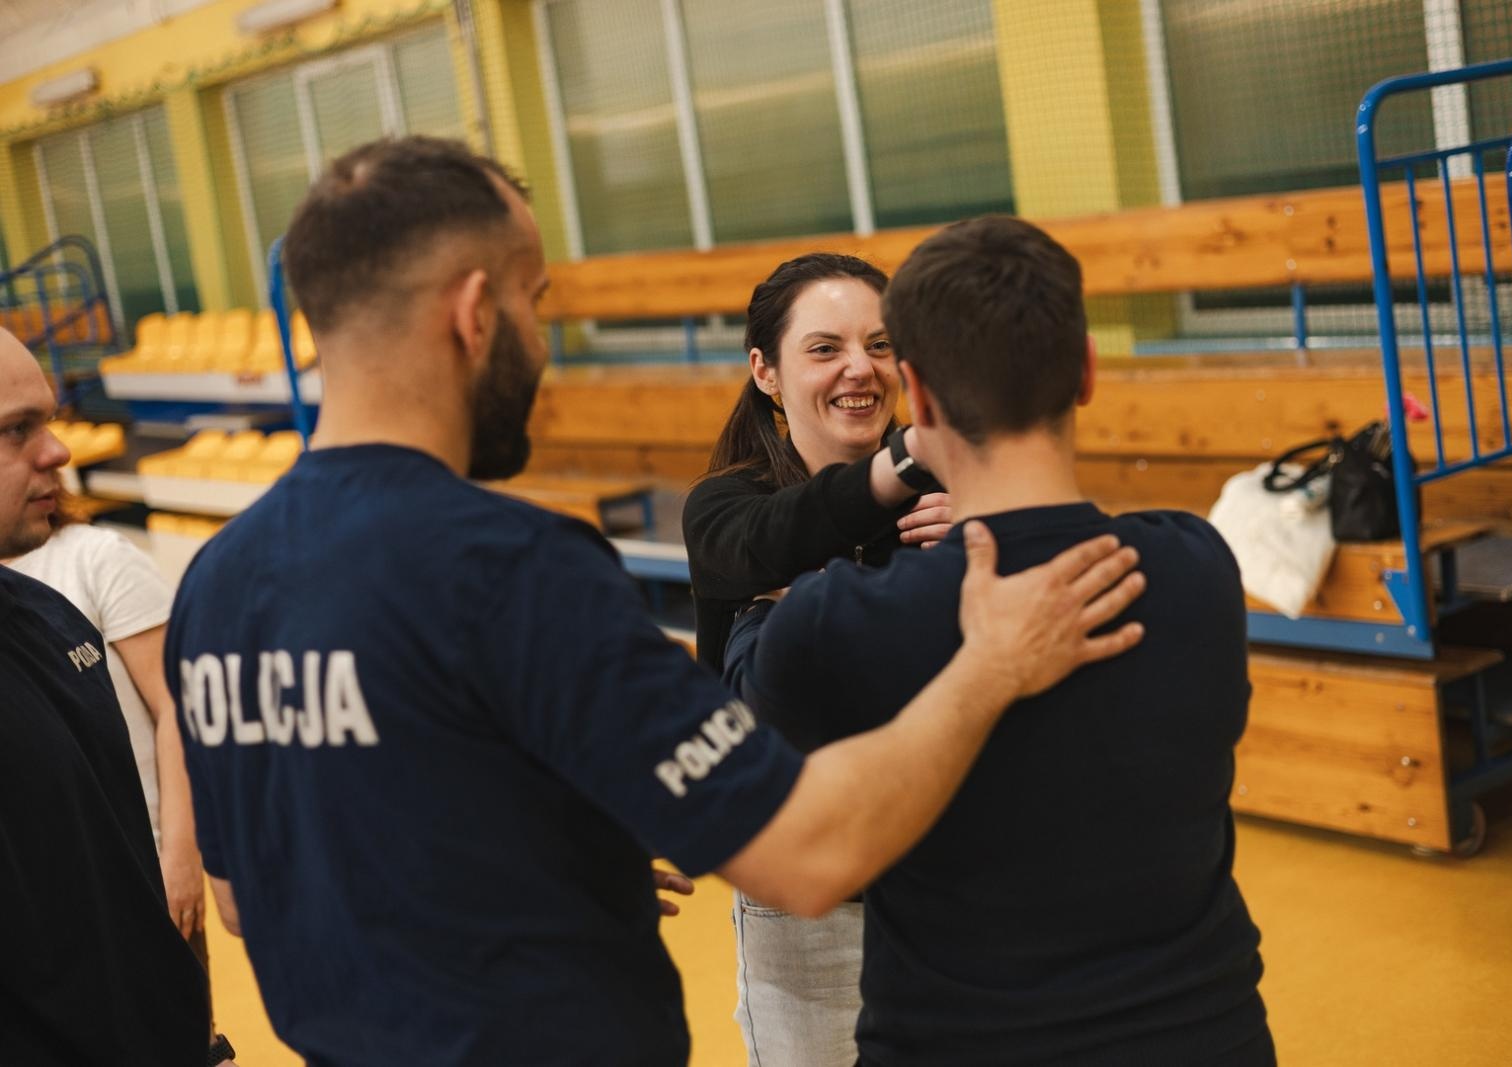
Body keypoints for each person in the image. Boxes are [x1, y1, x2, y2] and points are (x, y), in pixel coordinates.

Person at [164, 136, 1148, 1066]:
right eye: (533, 301)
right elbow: (806, 854)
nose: (539, 339)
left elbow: (257, 894)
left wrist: (557, 844)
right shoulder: (518, 566)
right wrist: (990, 666)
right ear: (474, 312)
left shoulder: (215, 582)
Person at [730, 216, 1274, 1066]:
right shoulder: (1198, 568)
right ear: (1087, 372)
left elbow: (766, 816)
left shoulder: (832, 624)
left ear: (922, 396)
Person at [683, 252, 951, 1066]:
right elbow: (774, 541)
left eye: (877, 344)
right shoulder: (729, 506)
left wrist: (978, 530)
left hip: (952, 877)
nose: (859, 369)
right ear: (764, 370)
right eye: (825, 347)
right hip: (811, 902)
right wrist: (899, 472)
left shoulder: (951, 483)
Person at [0, 327, 210, 1064]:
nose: (58, 451)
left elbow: (172, 712)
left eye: (47, 422)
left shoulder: (51, 608)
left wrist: (179, 851)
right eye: (15, 429)